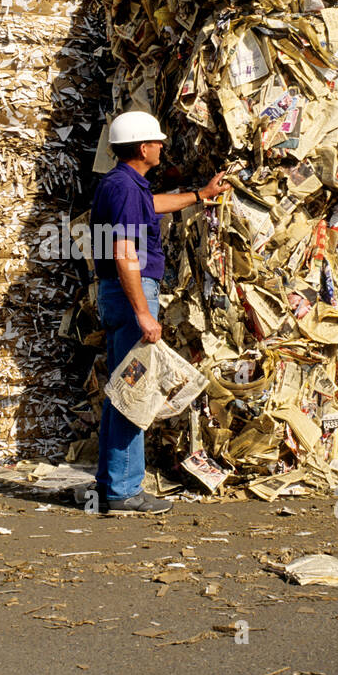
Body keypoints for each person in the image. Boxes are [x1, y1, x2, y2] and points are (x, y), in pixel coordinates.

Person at [88, 111, 230, 514]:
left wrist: (201, 195)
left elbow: (153, 205)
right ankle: (124, 492)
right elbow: (124, 252)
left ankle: (110, 484)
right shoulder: (125, 188)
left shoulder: (119, 186)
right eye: (157, 142)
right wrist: (144, 314)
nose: (162, 147)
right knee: (135, 393)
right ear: (143, 147)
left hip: (117, 294)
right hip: (131, 293)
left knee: (122, 391)